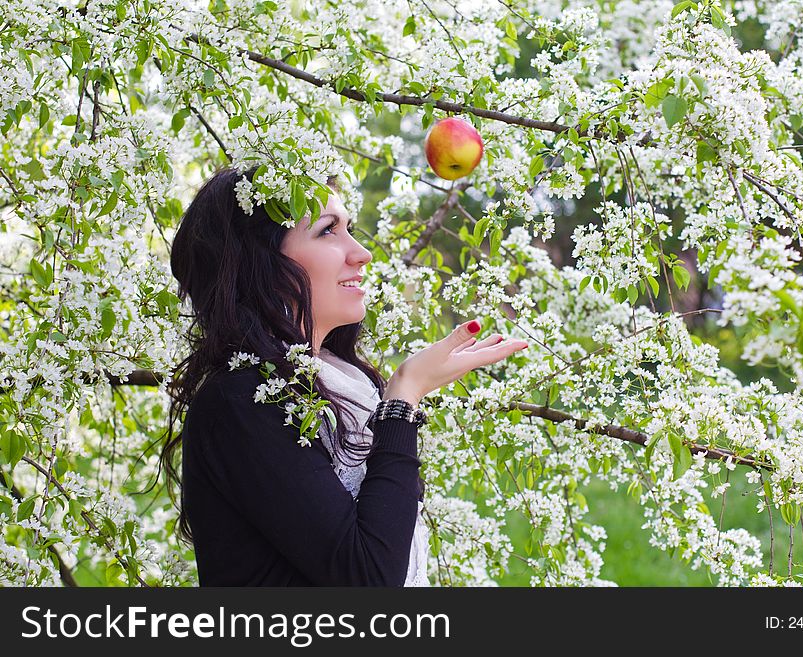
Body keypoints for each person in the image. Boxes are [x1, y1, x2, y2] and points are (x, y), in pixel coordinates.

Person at [159, 167, 529, 586]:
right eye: (327, 231)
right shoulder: (241, 399)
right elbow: (369, 577)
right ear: (259, 258)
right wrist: (404, 397)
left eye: (349, 228)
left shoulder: (343, 379)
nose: (361, 253)